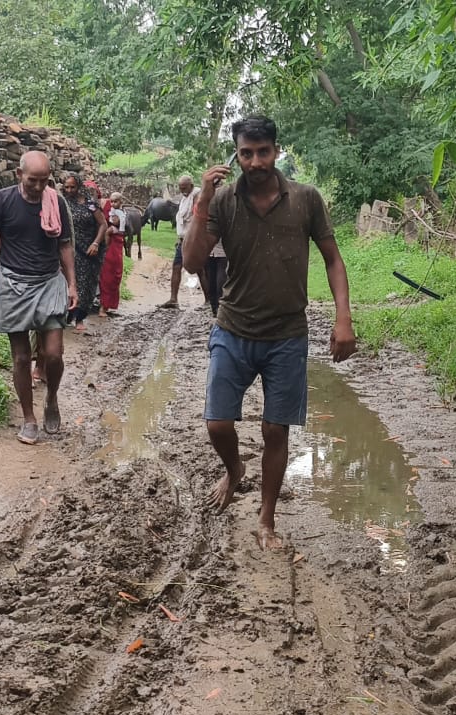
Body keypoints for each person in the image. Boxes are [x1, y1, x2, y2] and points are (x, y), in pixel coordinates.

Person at [183, 115, 356, 550]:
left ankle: (267, 519)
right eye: (246, 153)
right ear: (237, 155)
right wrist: (204, 200)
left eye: (263, 152)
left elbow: (333, 259)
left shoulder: (306, 199)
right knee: (217, 423)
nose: (255, 162)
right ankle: (235, 469)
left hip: (287, 335)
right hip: (233, 328)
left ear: (277, 151)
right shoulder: (223, 201)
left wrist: (344, 319)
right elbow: (192, 261)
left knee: (276, 431)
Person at [0, 150, 77, 445]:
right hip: (13, 284)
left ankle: (51, 398)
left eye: (44, 180)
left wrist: (72, 284)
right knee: (21, 357)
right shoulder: (2, 200)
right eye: (32, 180)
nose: (38, 186)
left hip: (49, 281)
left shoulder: (56, 202)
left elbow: (65, 245)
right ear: (19, 175)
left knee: (54, 354)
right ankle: (29, 418)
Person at [60, 174, 108, 334]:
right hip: (69, 249)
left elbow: (103, 224)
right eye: (66, 187)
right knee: (68, 282)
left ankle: (80, 318)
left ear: (79, 187)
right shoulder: (62, 204)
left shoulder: (90, 204)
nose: (69, 190)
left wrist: (96, 243)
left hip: (88, 251)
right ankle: (67, 316)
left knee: (85, 284)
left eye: (72, 187)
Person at [159, 175, 202, 309]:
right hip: (183, 240)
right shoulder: (184, 199)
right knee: (176, 266)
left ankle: (208, 300)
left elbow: (197, 217)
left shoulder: (196, 196)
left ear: (191, 186)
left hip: (193, 240)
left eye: (184, 187)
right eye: (180, 188)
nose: (182, 190)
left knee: (200, 269)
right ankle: (173, 299)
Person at [100, 192, 126, 316]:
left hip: (116, 243)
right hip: (110, 246)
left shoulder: (119, 213)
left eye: (116, 201)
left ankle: (106, 305)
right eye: (111, 201)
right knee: (107, 275)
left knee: (114, 274)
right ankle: (103, 305)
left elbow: (117, 223)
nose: (113, 204)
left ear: (121, 202)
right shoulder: (109, 209)